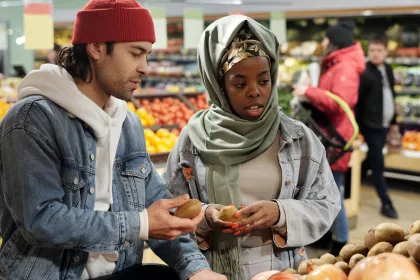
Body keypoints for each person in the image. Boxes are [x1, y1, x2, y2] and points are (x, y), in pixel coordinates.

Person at [0, 1, 226, 279]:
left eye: (147, 55)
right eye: (135, 53)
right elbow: (41, 220)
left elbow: (156, 206)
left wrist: (196, 269)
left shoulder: (127, 123)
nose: (145, 67)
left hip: (121, 271)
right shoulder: (33, 119)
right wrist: (139, 225)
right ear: (96, 47)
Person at [163, 15, 341, 280]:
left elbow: (327, 204)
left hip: (282, 272)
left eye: (264, 80)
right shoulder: (192, 140)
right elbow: (167, 211)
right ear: (218, 84)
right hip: (210, 272)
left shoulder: (297, 139)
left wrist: (281, 212)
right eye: (239, 83)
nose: (255, 91)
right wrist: (204, 216)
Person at [292, 20, 366, 256]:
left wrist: (308, 92)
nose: (322, 43)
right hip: (331, 134)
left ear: (334, 41)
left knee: (333, 190)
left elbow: (338, 104)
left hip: (336, 138)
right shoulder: (337, 63)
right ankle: (326, 237)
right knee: (324, 187)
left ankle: (341, 241)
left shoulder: (344, 66)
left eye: (325, 38)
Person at [356, 36, 398, 219]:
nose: (374, 54)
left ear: (386, 52)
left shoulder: (388, 68)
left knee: (371, 159)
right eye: (372, 50)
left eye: (379, 50)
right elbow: (358, 102)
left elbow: (391, 94)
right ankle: (386, 203)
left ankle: (353, 181)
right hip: (370, 126)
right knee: (378, 163)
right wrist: (358, 128)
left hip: (383, 125)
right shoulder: (365, 72)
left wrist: (394, 121)